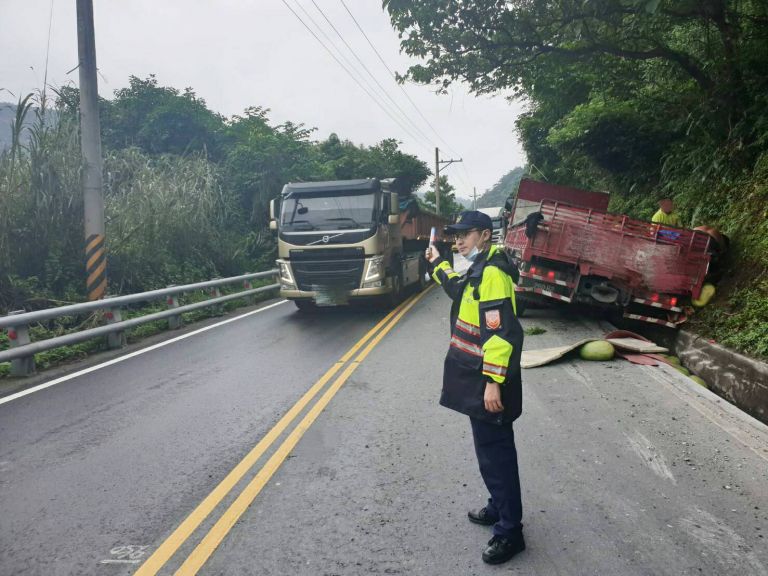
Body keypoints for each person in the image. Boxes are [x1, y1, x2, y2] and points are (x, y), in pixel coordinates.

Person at [425, 210, 526, 565]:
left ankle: (510, 531)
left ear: (485, 234)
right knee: (490, 451)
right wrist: (438, 264)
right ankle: (499, 506)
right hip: (478, 376)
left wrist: (493, 383)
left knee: (495, 455)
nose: (457, 241)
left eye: (464, 234)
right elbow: (460, 290)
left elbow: (500, 334)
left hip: (489, 381)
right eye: (455, 236)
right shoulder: (482, 267)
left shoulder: (493, 272)